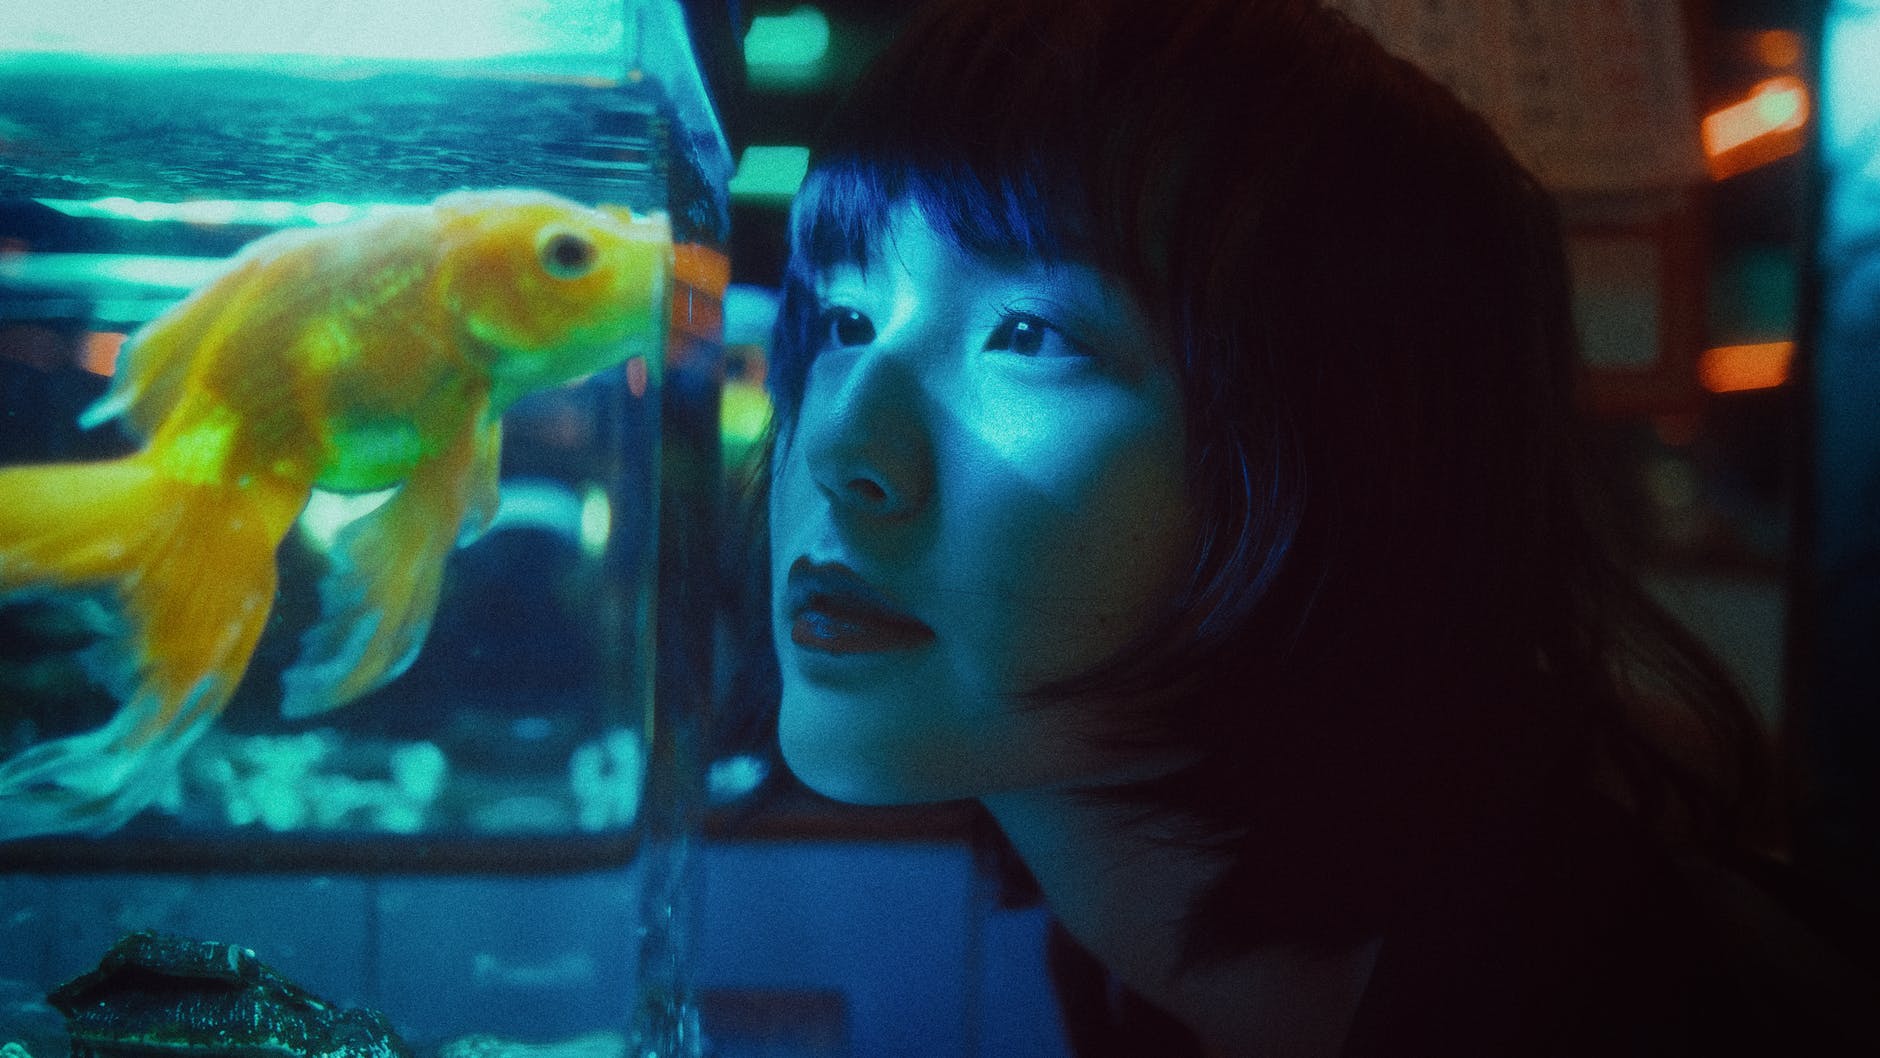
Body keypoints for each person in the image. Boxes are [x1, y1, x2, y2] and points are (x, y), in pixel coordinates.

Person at [756, 0, 1880, 1053]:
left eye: (1028, 333)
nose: (837, 444)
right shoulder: (1123, 964)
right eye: (845, 317)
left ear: (1349, 457)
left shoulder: (1608, 1008)